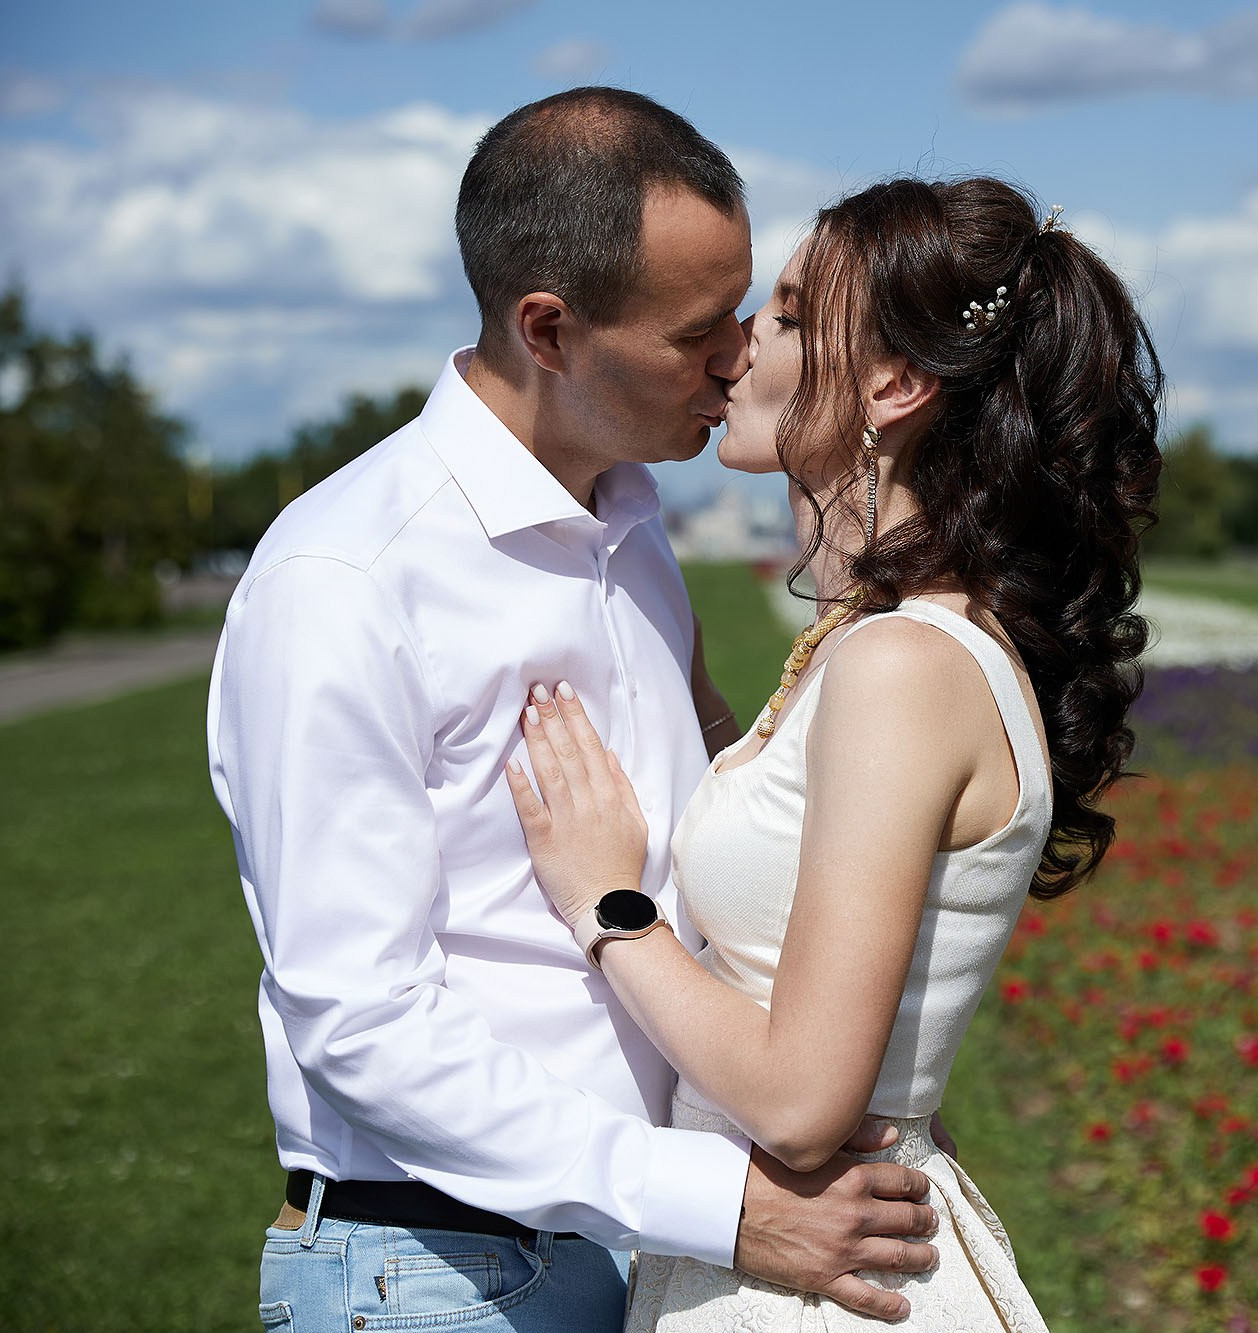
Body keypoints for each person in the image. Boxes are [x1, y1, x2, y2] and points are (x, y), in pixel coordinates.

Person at [208, 88, 941, 1332]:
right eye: (694, 330)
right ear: (546, 328)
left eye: (743, 311)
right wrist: (719, 1203)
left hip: (648, 1248)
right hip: (445, 1273)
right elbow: (361, 1018)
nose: (739, 357)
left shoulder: (634, 527)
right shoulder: (348, 579)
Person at [505, 178, 1163, 1329]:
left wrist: (609, 908)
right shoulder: (871, 643)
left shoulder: (902, 665)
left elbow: (805, 1102)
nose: (740, 339)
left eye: (793, 315)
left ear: (894, 386)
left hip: (815, 1282)